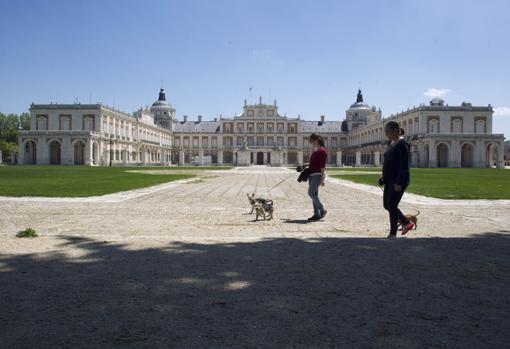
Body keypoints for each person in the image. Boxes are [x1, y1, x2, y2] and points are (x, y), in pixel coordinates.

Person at [380, 121, 415, 238]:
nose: (386, 134)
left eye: (387, 131)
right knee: (387, 205)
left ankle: (393, 232)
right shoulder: (391, 143)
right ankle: (406, 222)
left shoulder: (402, 144)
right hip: (390, 179)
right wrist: (384, 177)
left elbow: (404, 165)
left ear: (395, 130)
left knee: (392, 205)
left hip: (398, 180)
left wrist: (399, 182)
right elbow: (389, 162)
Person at [307, 133, 328, 221]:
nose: (310, 143)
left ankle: (322, 209)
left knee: (310, 193)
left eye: (311, 141)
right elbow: (312, 164)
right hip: (311, 175)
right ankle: (316, 214)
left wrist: (322, 178)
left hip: (317, 175)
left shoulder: (322, 151)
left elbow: (322, 165)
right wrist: (304, 166)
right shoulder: (315, 151)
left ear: (315, 140)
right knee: (314, 195)